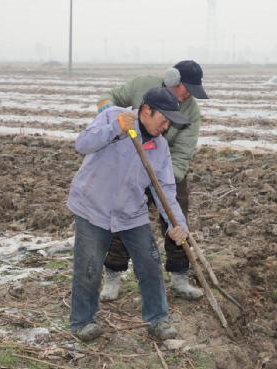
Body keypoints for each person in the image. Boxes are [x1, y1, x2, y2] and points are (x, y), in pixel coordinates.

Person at [67, 87, 190, 342]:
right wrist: (115, 130)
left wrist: (176, 224)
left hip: (130, 211)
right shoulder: (114, 116)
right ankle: (82, 321)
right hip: (93, 206)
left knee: (150, 263)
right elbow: (82, 144)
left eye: (169, 122)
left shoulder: (159, 147)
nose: (166, 127)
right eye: (163, 119)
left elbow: (165, 189)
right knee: (89, 266)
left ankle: (157, 319)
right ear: (146, 110)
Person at [96, 60, 209, 301]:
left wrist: (164, 182)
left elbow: (182, 154)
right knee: (124, 218)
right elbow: (110, 95)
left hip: (168, 171)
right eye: (185, 88)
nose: (188, 94)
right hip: (132, 164)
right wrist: (108, 113)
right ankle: (113, 276)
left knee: (177, 222)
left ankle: (180, 277)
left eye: (192, 91)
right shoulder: (142, 85)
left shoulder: (191, 113)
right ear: (171, 79)